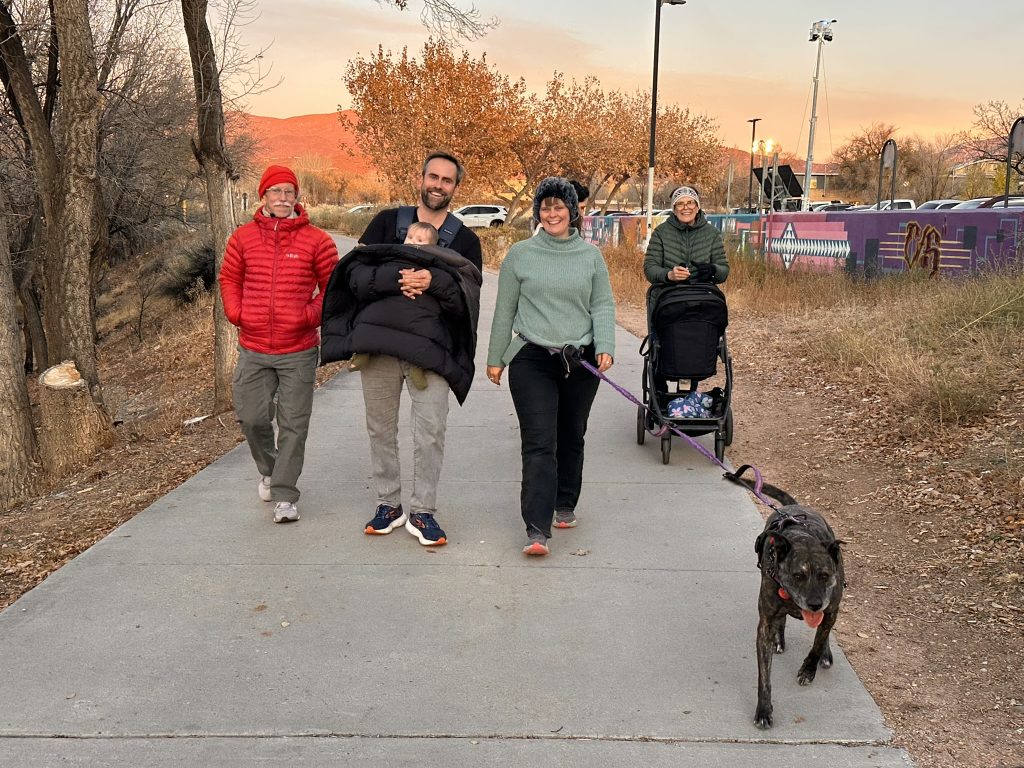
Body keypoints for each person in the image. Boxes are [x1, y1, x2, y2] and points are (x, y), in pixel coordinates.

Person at [337, 152, 483, 546]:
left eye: (447, 180)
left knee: (431, 431)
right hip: (380, 345)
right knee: (380, 428)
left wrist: (433, 281)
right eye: (433, 176)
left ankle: (423, 511)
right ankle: (388, 504)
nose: (438, 185)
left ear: (455, 187)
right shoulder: (386, 223)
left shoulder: (466, 241)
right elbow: (354, 274)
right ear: (421, 179)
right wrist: (398, 278)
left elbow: (468, 299)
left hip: (433, 350)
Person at [485, 177, 615, 556]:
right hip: (532, 357)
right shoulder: (520, 254)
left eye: (559, 206)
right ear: (538, 212)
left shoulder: (591, 256)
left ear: (572, 211)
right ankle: (536, 529)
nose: (552, 213)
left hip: (580, 358)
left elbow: (602, 304)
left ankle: (565, 502)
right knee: (539, 442)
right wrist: (495, 358)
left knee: (571, 434)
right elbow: (505, 309)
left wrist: (605, 344)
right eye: (545, 207)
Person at [219, 164, 339, 523]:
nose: (283, 198)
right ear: (264, 196)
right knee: (252, 418)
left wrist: (308, 316)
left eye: (289, 192)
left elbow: (333, 289)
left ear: (296, 197)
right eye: (276, 191)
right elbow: (229, 278)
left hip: (298, 350)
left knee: (293, 425)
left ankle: (285, 495)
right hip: (254, 348)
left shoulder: (318, 240)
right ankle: (270, 470)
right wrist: (237, 313)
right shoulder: (242, 238)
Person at [643, 185, 729, 295]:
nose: (685, 207)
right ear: (674, 210)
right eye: (680, 204)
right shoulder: (660, 233)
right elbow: (650, 268)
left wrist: (712, 270)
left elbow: (724, 270)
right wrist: (669, 275)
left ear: (697, 207)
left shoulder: (712, 233)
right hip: (668, 295)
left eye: (690, 203)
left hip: (702, 295)